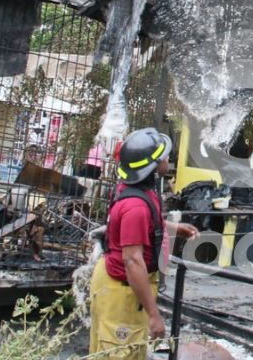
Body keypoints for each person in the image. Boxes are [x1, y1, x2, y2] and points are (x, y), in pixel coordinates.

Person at [90, 127, 199, 358]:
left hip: (125, 285)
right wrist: (153, 313)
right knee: (120, 352)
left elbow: (149, 223)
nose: (168, 159)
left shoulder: (140, 190)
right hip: (123, 291)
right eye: (163, 156)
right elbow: (132, 261)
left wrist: (175, 229)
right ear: (150, 166)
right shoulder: (135, 207)